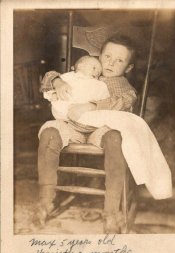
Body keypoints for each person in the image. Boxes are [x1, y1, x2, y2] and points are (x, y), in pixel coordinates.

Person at [37, 35, 137, 233]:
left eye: (119, 60)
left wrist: (92, 105)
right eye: (107, 56)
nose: (110, 63)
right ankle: (45, 201)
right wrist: (58, 82)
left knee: (115, 138)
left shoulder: (123, 85)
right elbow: (49, 76)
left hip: (101, 130)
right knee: (49, 133)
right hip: (71, 126)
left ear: (128, 68)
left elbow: (126, 100)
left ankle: (111, 211)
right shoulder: (87, 71)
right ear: (99, 56)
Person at [43, 55, 110, 120]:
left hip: (83, 112)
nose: (97, 72)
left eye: (99, 72)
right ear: (80, 66)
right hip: (62, 110)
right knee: (56, 95)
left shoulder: (98, 84)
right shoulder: (70, 76)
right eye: (94, 68)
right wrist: (52, 93)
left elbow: (105, 98)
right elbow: (51, 83)